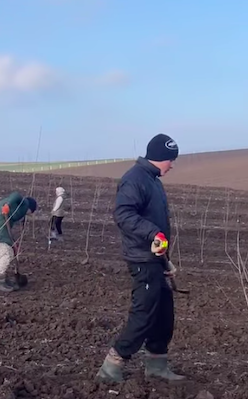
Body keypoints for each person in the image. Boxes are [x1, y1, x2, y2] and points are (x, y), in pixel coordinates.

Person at [96, 133, 185, 384]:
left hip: (154, 258)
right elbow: (123, 214)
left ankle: (157, 365)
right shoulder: (135, 179)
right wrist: (152, 233)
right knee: (144, 313)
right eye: (171, 160)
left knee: (164, 312)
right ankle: (112, 365)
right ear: (160, 157)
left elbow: (155, 225)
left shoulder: (153, 180)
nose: (172, 165)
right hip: (141, 259)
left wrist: (165, 260)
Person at [0, 192, 37, 292]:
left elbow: (8, 229)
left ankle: (2, 279)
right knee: (6, 254)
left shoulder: (16, 209)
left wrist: (13, 243)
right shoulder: (24, 203)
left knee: (2, 255)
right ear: (31, 208)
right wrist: (8, 205)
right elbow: (16, 195)